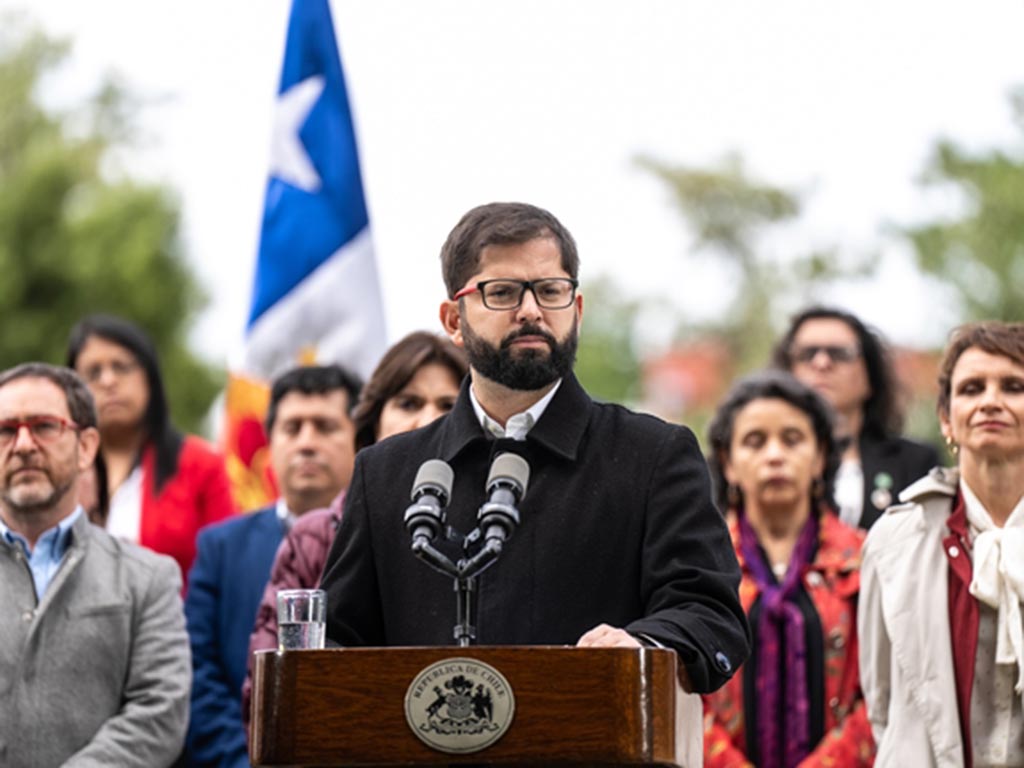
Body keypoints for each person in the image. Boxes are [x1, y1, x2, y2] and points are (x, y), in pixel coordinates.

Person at [320, 202, 749, 693]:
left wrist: (641, 646)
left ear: (577, 311)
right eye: (502, 292)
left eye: (550, 291)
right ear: (453, 320)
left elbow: (709, 614)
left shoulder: (653, 456)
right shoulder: (384, 473)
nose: (530, 311)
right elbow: (335, 643)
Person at [241, 331, 468, 735]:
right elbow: (270, 691)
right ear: (372, 424)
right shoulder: (312, 539)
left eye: (448, 406)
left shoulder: (492, 535)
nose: (428, 420)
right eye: (408, 403)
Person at [0, 362, 190, 766]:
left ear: (86, 447)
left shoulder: (147, 579)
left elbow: (158, 713)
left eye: (44, 426)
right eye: (5, 430)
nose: (23, 444)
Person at [859, 321, 1024, 767]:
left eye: (1013, 386)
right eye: (972, 388)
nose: (990, 401)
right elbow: (882, 702)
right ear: (947, 418)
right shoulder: (893, 541)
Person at [183, 364, 361, 768]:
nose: (307, 443)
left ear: (359, 437)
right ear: (270, 442)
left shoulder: (385, 541)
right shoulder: (220, 548)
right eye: (292, 428)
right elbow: (198, 674)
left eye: (325, 427)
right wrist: (245, 761)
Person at [703, 371, 874, 767]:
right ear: (728, 463)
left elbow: (887, 689)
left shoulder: (868, 561)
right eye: (755, 441)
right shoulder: (699, 566)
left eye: (792, 439)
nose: (775, 455)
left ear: (820, 456)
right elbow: (681, 694)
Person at [66, 314, 237, 583]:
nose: (108, 381)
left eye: (121, 367)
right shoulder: (61, 468)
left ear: (149, 378)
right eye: (93, 372)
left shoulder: (201, 464)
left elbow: (230, 565)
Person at [772, 306, 939, 530]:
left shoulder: (915, 463)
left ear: (870, 374)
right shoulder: (762, 459)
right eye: (807, 353)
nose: (821, 363)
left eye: (840, 353)